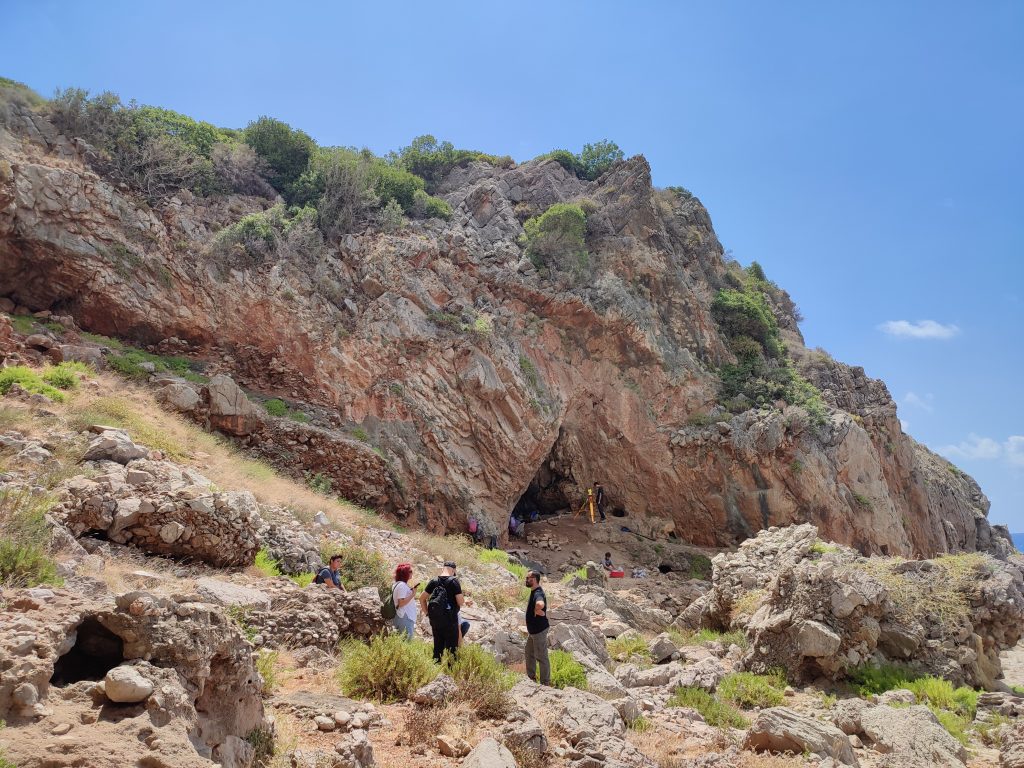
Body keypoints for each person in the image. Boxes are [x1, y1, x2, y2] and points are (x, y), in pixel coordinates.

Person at [419, 560, 464, 662]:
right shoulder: (454, 581)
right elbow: (460, 602)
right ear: (453, 570)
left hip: (436, 620)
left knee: (437, 648)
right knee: (452, 650)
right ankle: (450, 673)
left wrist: (427, 614)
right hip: (450, 621)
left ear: (443, 568)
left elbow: (422, 598)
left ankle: (436, 668)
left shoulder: (434, 581)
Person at [523, 569, 550, 685]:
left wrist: (537, 608)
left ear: (534, 580)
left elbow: (540, 603)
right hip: (533, 632)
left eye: (528, 578)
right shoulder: (534, 591)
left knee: (541, 657)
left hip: (539, 631)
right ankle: (531, 678)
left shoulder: (538, 592)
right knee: (529, 653)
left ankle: (545, 683)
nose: (526, 580)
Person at [391, 563, 419, 639]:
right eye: (410, 571)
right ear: (404, 573)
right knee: (407, 641)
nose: (412, 573)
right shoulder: (402, 586)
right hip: (404, 616)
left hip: (402, 616)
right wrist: (413, 594)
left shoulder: (398, 584)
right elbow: (401, 603)